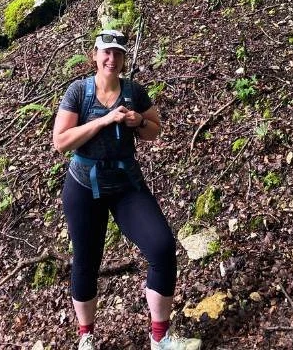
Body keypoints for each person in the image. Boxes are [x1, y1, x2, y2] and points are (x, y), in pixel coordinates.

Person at [52, 29, 202, 350]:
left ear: (122, 58)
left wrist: (137, 123)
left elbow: (154, 130)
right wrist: (104, 121)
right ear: (94, 55)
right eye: (106, 53)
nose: (112, 59)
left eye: (117, 53)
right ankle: (86, 337)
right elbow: (61, 142)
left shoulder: (134, 92)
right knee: (86, 261)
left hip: (126, 186)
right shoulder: (79, 91)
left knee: (161, 247)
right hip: (83, 187)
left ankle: (159, 339)